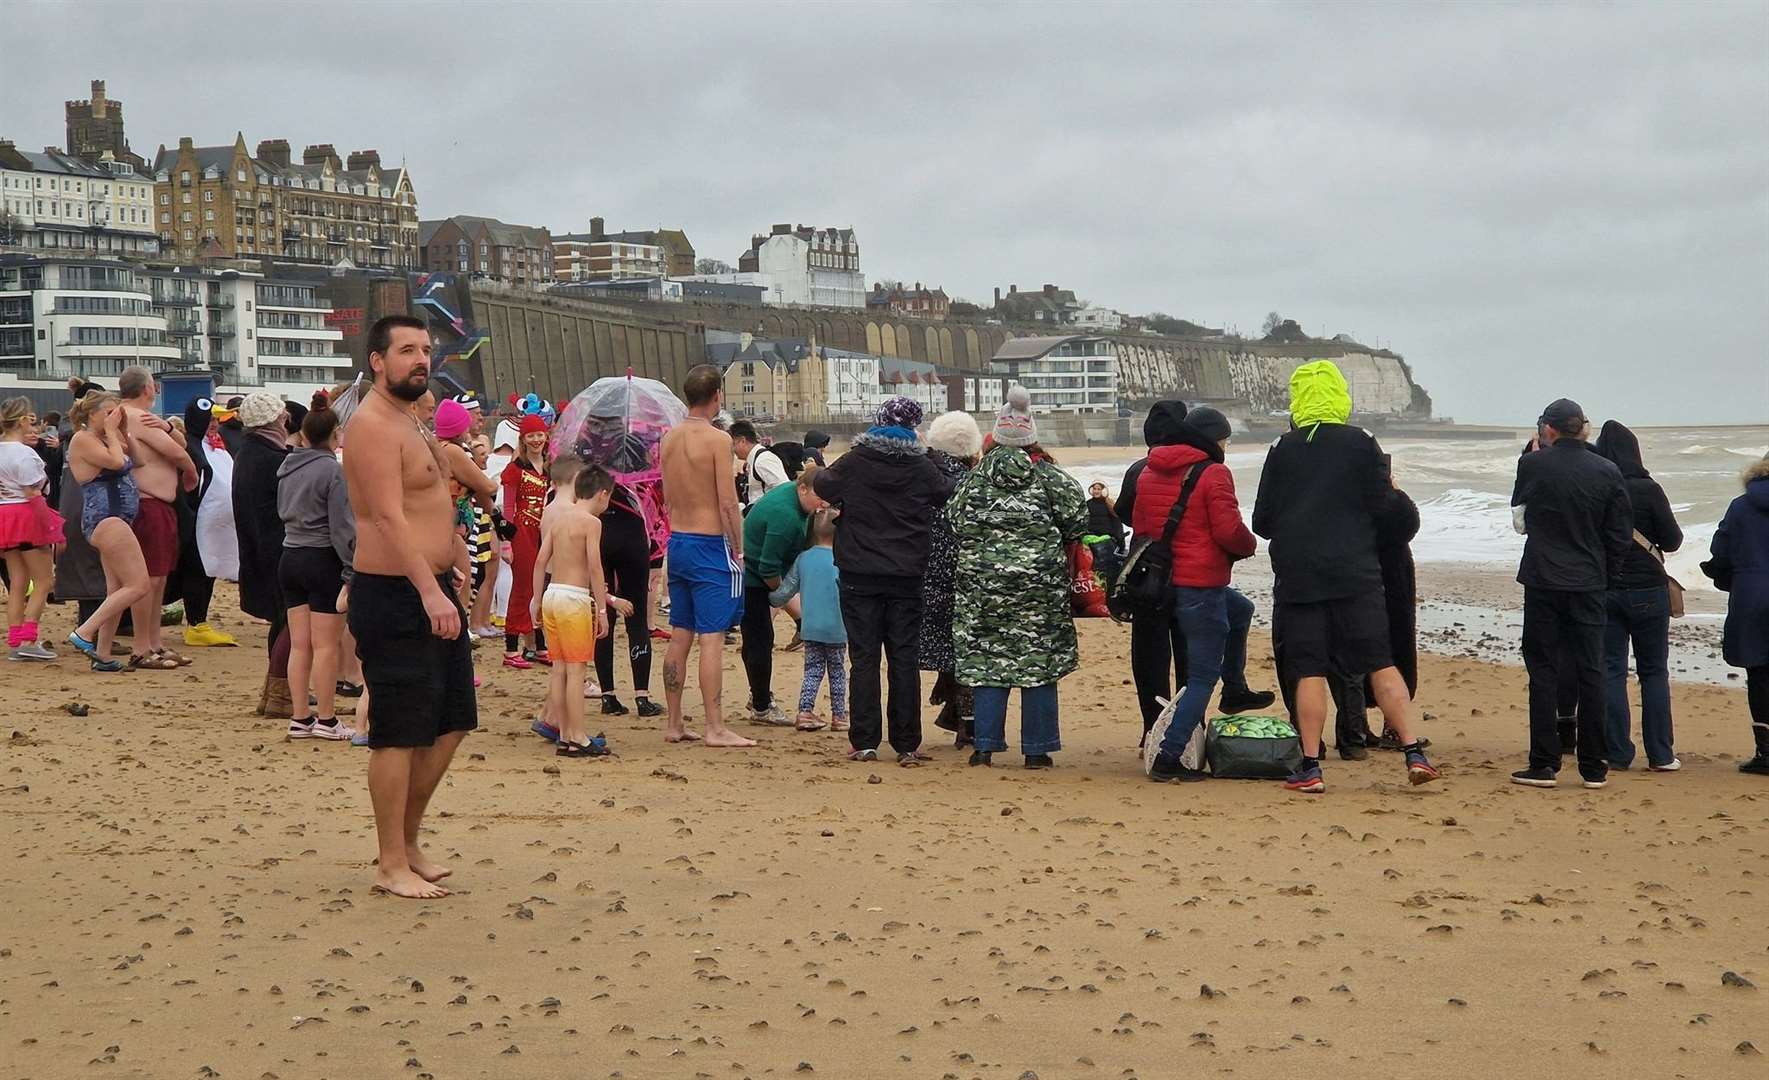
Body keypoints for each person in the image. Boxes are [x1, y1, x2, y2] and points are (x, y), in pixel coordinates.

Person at [1251, 361, 1439, 794]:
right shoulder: (1362, 443)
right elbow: (1382, 505)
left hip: (1300, 577)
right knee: (1380, 662)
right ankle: (1414, 751)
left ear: (1297, 399)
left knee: (1310, 671)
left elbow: (1262, 520)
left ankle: (1311, 766)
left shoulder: (1282, 448)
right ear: (1339, 396)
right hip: (1356, 572)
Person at [344, 314, 477, 899]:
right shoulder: (373, 425)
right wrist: (427, 590)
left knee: (450, 723)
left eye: (425, 349)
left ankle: (409, 840)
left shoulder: (412, 419)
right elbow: (384, 517)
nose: (421, 360)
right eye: (406, 351)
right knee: (398, 732)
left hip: (434, 584)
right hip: (397, 593)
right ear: (377, 360)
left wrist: (452, 554)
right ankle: (388, 861)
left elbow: (427, 502)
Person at [1119, 404, 1275, 748]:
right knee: (1195, 664)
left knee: (1150, 658)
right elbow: (1228, 530)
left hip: (1152, 579)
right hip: (1194, 578)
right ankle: (1186, 736)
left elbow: (1135, 520)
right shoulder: (1212, 472)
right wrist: (1246, 546)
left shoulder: (1145, 469)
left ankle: (1154, 730)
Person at [946, 388, 1085, 769]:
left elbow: (954, 521)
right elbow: (1078, 519)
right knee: (1038, 665)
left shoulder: (974, 480)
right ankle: (1037, 750)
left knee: (988, 663)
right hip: (1039, 589)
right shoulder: (1051, 478)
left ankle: (985, 747)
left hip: (982, 587)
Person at [812, 396, 954, 765]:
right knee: (903, 658)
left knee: (864, 658)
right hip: (906, 572)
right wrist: (930, 451)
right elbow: (946, 492)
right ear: (913, 428)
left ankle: (864, 740)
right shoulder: (921, 465)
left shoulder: (857, 460)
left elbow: (824, 484)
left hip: (860, 570)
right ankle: (906, 742)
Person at [1506, 399, 1632, 790]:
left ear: (1549, 430)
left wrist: (1529, 459)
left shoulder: (1533, 464)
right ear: (1582, 428)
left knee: (1543, 669)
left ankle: (1544, 762)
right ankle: (1593, 765)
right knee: (1590, 669)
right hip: (1588, 581)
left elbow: (1519, 521)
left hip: (1544, 578)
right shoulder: (1608, 469)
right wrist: (1607, 575)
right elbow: (1619, 534)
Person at [658, 364, 755, 748]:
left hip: (678, 540)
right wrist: (739, 547)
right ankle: (715, 725)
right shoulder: (717, 440)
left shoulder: (669, 438)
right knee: (711, 638)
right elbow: (728, 502)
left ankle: (675, 721)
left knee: (680, 633)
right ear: (717, 396)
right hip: (709, 543)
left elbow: (666, 494)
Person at [1593, 420, 1682, 771]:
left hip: (1607, 588)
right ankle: (1660, 754)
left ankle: (1617, 753)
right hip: (1648, 590)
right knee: (1654, 672)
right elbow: (1672, 541)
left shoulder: (1598, 487)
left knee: (1612, 671)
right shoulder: (1649, 489)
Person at [277, 395, 357, 742]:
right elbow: (342, 527)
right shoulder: (331, 471)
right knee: (326, 645)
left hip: (290, 554)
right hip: (321, 557)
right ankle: (326, 719)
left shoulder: (286, 467)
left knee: (300, 644)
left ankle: (300, 717)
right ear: (335, 435)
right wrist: (352, 568)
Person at [532, 464, 620, 756]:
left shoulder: (559, 519)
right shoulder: (591, 523)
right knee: (576, 669)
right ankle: (577, 735)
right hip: (575, 599)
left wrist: (536, 598)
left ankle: (563, 732)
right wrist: (603, 609)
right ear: (602, 494)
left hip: (553, 595)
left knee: (559, 668)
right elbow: (595, 567)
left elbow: (541, 560)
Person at [117, 366, 199, 669]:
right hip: (147, 504)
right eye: (153, 384)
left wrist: (167, 428)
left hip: (157, 505)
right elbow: (178, 453)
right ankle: (142, 646)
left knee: (159, 576)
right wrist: (190, 473)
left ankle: (154, 642)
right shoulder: (135, 416)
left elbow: (179, 443)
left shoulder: (141, 418)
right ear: (147, 389)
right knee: (148, 578)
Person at [62, 393, 145, 673]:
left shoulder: (109, 437)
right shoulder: (82, 439)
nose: (114, 416)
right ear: (92, 415)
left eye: (116, 411)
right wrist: (111, 432)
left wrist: (122, 432)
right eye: (108, 412)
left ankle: (104, 654)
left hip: (117, 519)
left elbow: (139, 460)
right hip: (105, 518)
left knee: (117, 589)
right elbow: (117, 464)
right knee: (138, 585)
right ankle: (84, 632)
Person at [740, 466, 827, 725]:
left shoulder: (798, 500)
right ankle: (762, 707)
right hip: (753, 579)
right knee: (760, 640)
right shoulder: (786, 516)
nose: (823, 503)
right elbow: (768, 566)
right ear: (802, 488)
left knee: (757, 639)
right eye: (819, 496)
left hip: (760, 571)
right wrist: (782, 593)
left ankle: (758, 694)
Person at [919, 411, 983, 747]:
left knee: (918, 653)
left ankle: (912, 724)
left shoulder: (919, 475)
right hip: (963, 576)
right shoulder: (974, 482)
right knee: (965, 652)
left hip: (922, 573)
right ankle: (967, 723)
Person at [1702, 453, 1769, 776]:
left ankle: (1766, 752)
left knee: (1759, 673)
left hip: (1751, 595)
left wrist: (1728, 579)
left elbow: (1721, 551)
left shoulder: (1741, 506)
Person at [234, 391, 296, 715]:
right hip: (279, 547)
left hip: (258, 546)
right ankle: (280, 690)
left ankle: (276, 690)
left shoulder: (248, 453)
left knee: (282, 618)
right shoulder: (274, 459)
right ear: (275, 421)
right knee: (293, 618)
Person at [595, 435, 663, 717]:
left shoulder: (591, 466)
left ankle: (608, 695)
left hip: (599, 533)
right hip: (632, 537)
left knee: (602, 617)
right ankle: (642, 696)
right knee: (636, 617)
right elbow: (658, 509)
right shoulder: (645, 471)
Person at [169, 397, 238, 649]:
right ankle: (196, 624)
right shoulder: (191, 447)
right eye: (209, 419)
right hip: (195, 523)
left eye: (216, 420)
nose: (215, 424)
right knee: (196, 572)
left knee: (206, 572)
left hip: (214, 526)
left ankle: (199, 622)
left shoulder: (215, 447)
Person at [770, 507, 847, 731]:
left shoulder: (804, 558)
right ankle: (839, 715)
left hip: (811, 626)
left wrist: (770, 598)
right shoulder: (841, 559)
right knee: (837, 671)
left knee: (812, 670)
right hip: (837, 626)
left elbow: (786, 591)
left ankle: (805, 711)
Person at [0, 397, 65, 660]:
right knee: (44, 581)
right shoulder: (25, 454)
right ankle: (28, 639)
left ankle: (16, 639)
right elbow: (32, 492)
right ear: (21, 421)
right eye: (31, 420)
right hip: (26, 515)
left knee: (17, 582)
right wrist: (52, 529)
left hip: (5, 514)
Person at [500, 414, 552, 668]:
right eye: (530, 435)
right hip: (522, 533)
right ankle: (511, 649)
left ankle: (540, 646)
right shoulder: (514, 470)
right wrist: (507, 542)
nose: (536, 440)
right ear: (522, 439)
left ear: (546, 436)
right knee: (522, 588)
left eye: (539, 434)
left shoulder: (551, 467)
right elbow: (508, 507)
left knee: (540, 588)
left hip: (545, 534)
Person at [731, 420, 789, 507]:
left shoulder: (763, 460)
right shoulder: (754, 460)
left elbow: (784, 490)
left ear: (742, 441)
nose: (732, 449)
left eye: (733, 444)